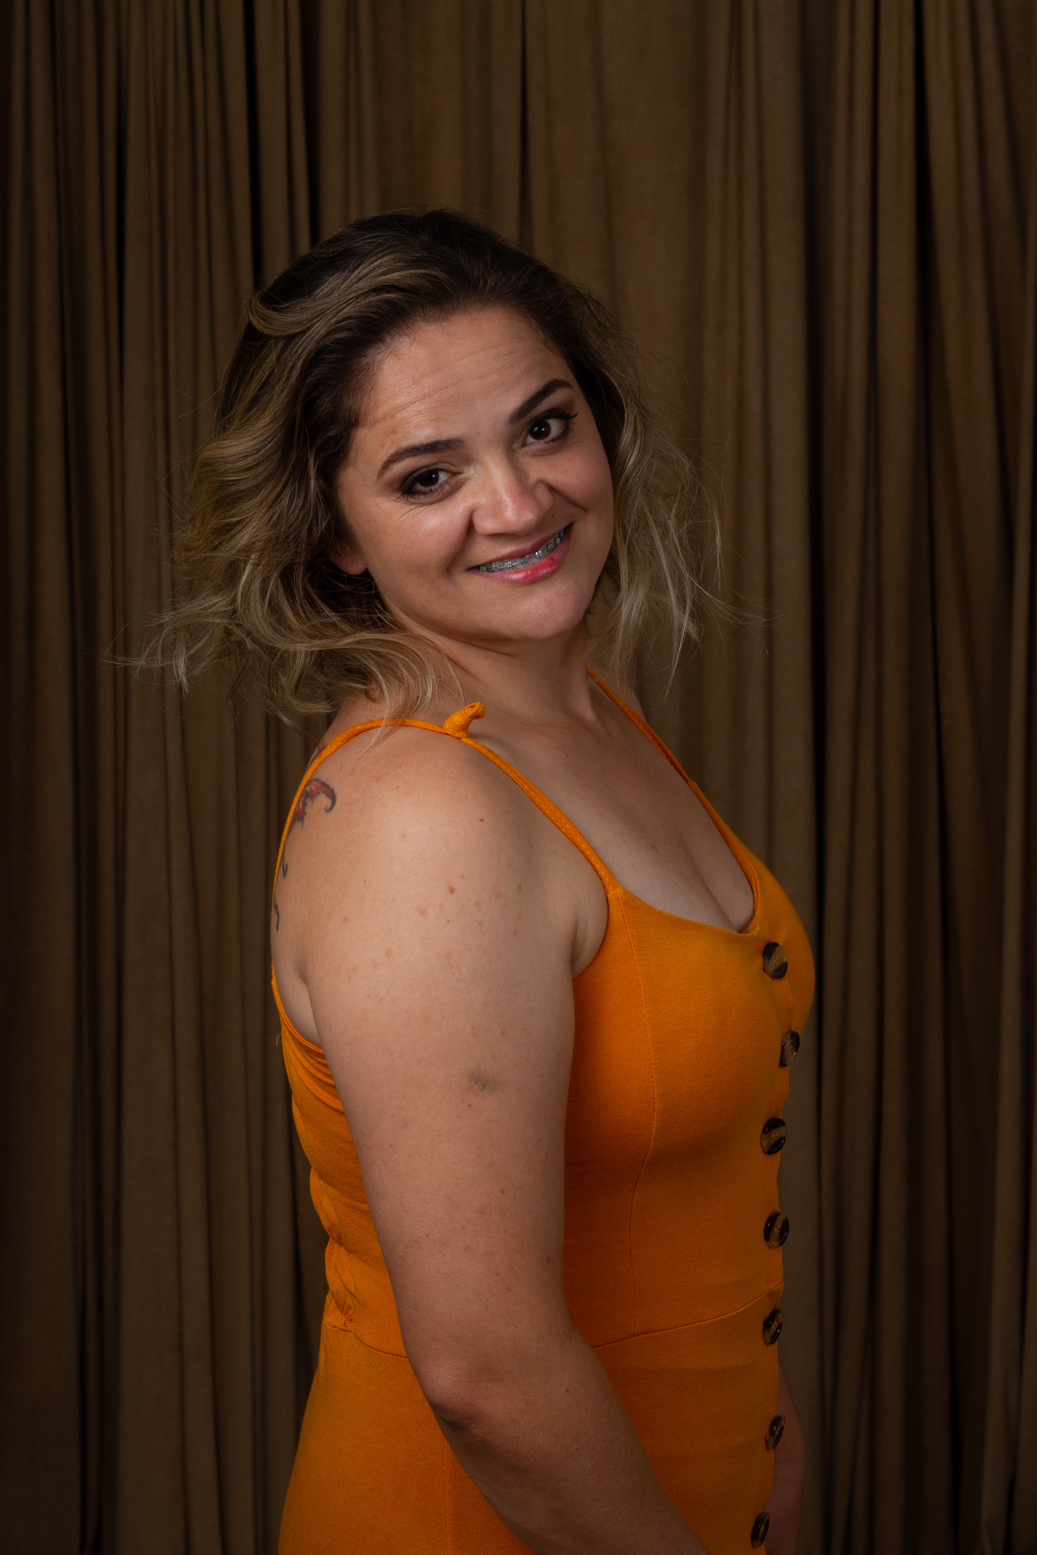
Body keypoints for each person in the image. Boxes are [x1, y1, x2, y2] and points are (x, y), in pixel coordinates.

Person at [156, 209, 812, 1554]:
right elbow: (485, 1375)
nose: (516, 505)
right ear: (335, 532)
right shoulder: (425, 812)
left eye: (542, 427)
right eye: (425, 476)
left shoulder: (590, 716)